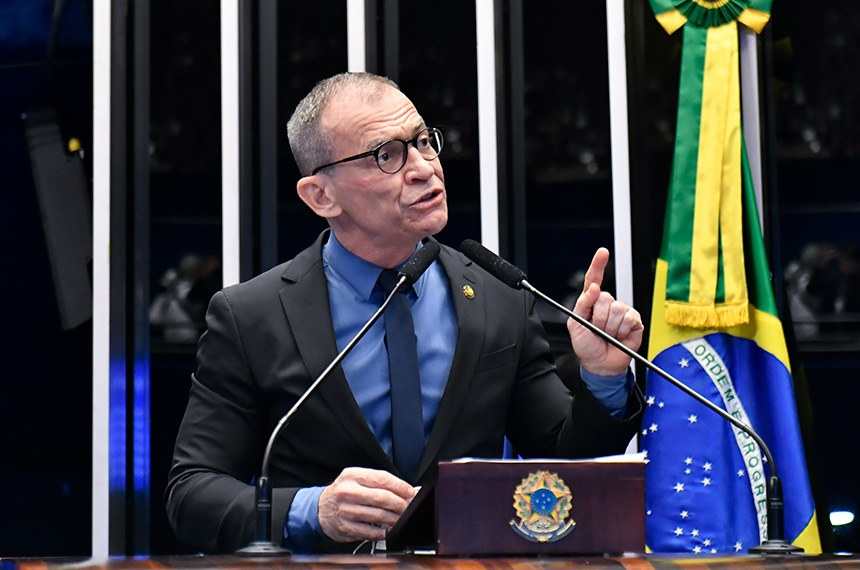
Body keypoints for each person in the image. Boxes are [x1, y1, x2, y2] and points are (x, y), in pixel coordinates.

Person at [165, 72, 645, 554]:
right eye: (386, 155)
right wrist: (314, 509)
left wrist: (602, 377)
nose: (423, 168)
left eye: (423, 142)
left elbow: (562, 469)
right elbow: (192, 493)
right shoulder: (253, 316)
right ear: (320, 196)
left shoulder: (498, 298)